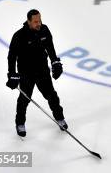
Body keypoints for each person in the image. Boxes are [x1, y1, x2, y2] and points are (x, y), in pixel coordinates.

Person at [5, 9, 68, 137]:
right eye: (35, 22)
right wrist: (12, 74)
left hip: (42, 70)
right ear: (28, 21)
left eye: (39, 20)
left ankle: (60, 118)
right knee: (24, 99)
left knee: (52, 96)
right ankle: (20, 123)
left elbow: (50, 48)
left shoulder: (44, 30)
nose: (38, 23)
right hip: (26, 72)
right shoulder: (19, 36)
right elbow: (12, 57)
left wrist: (55, 62)